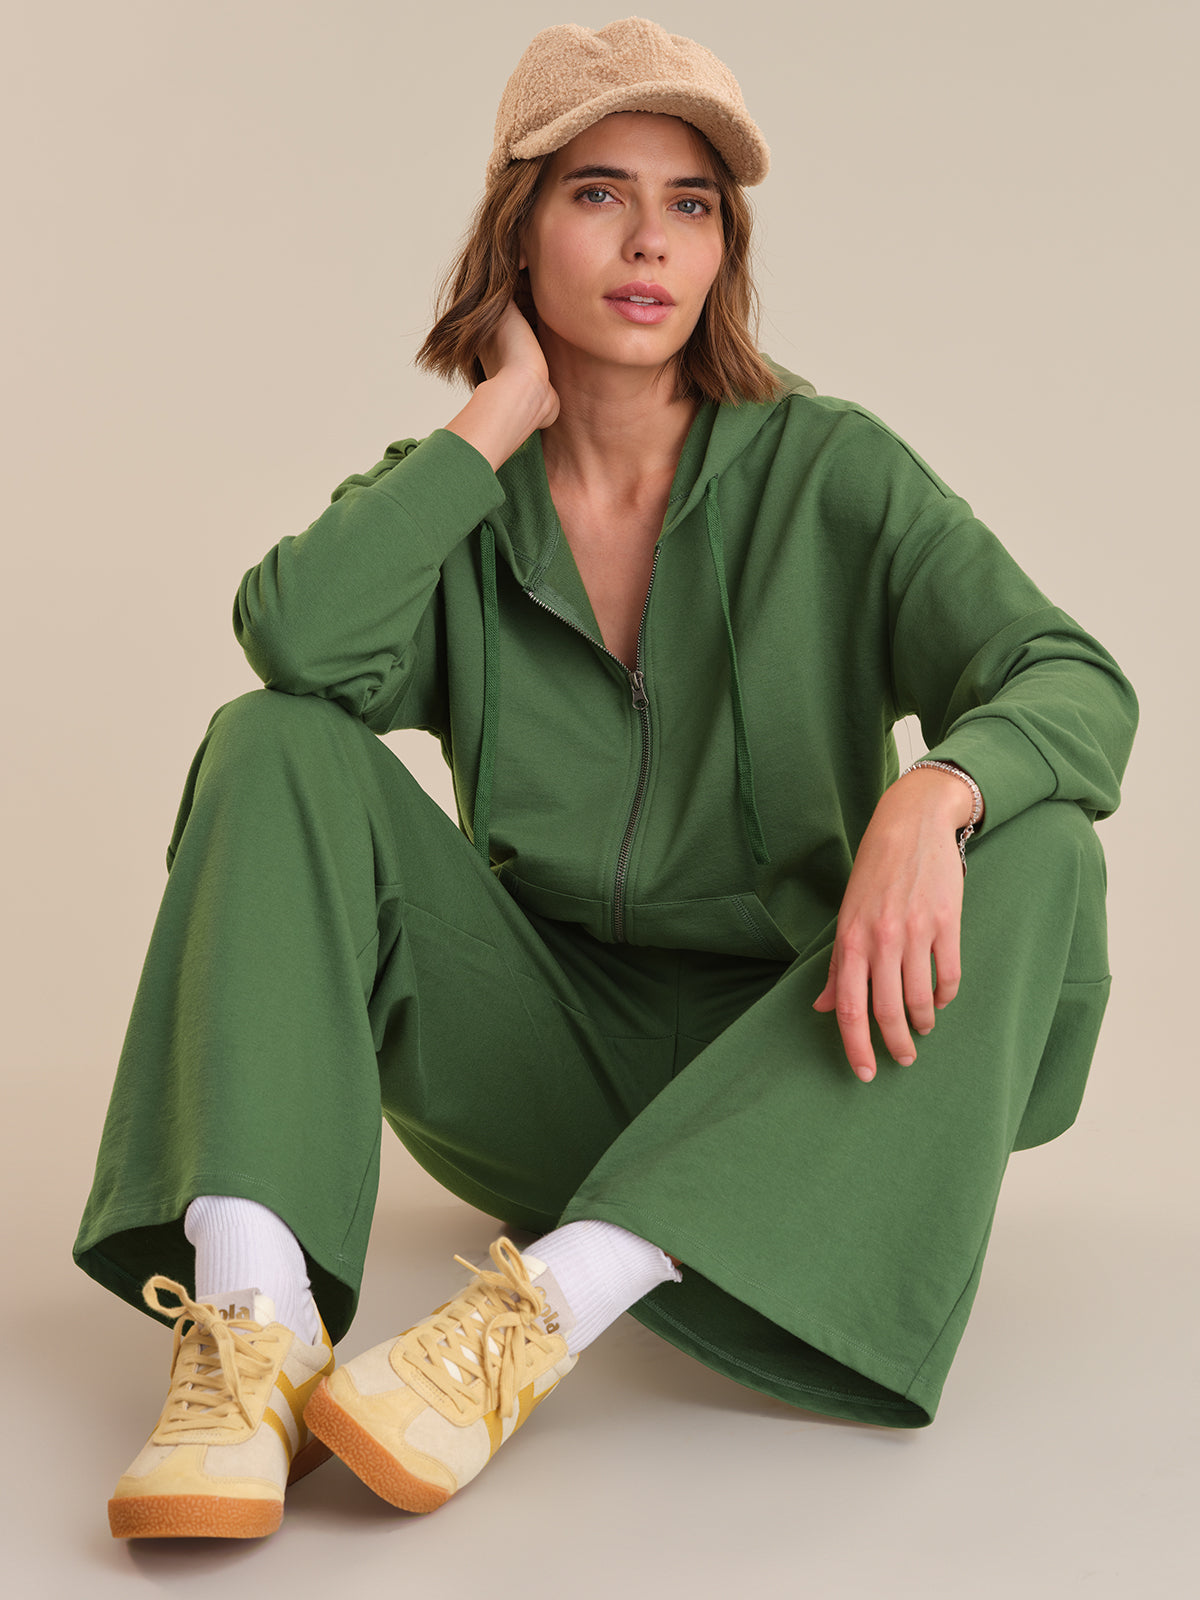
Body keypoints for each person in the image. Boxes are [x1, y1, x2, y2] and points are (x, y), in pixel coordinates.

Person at [75, 16, 1137, 1540]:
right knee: (273, 743)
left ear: (725, 248)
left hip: (808, 1072)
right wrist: (497, 411)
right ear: (519, 228)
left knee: (1046, 843)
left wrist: (935, 794)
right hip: (539, 1069)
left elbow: (1076, 679)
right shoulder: (456, 496)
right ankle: (253, 1331)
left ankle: (545, 1312)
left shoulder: (830, 472)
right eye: (597, 193)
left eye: (692, 203)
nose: (651, 241)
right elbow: (298, 643)